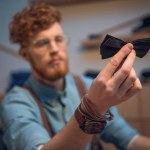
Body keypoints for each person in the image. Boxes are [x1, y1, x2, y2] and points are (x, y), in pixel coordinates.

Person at [0, 2, 150, 150]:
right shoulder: (15, 104)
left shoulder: (88, 86)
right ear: (25, 54)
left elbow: (129, 139)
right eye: (42, 43)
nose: (54, 49)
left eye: (59, 39)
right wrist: (92, 109)